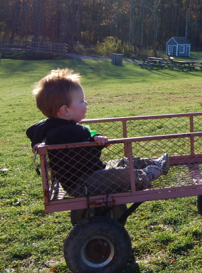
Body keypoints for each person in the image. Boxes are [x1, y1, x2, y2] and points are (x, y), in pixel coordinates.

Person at [26, 68, 169, 197]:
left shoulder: (61, 127)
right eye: (82, 101)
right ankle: (149, 173)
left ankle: (157, 162)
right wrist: (96, 145)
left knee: (123, 162)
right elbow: (78, 156)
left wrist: (94, 137)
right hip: (82, 183)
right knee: (124, 175)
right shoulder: (62, 133)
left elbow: (83, 140)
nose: (86, 104)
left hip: (93, 172)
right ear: (65, 110)